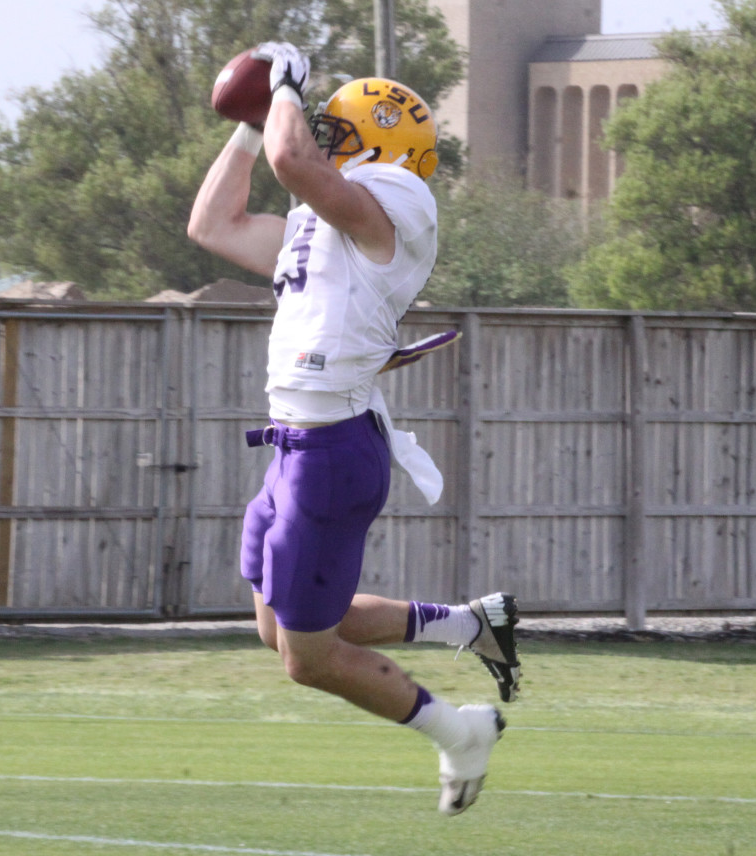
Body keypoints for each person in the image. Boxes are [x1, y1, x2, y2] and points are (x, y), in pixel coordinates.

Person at [187, 41, 520, 816]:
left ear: (382, 145)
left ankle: (458, 730)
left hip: (330, 453)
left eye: (340, 134)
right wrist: (246, 123)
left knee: (307, 659)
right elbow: (212, 223)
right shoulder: (323, 226)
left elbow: (294, 160)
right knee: (279, 625)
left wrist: (287, 88)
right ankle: (470, 625)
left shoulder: (398, 203)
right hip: (294, 445)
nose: (323, 144)